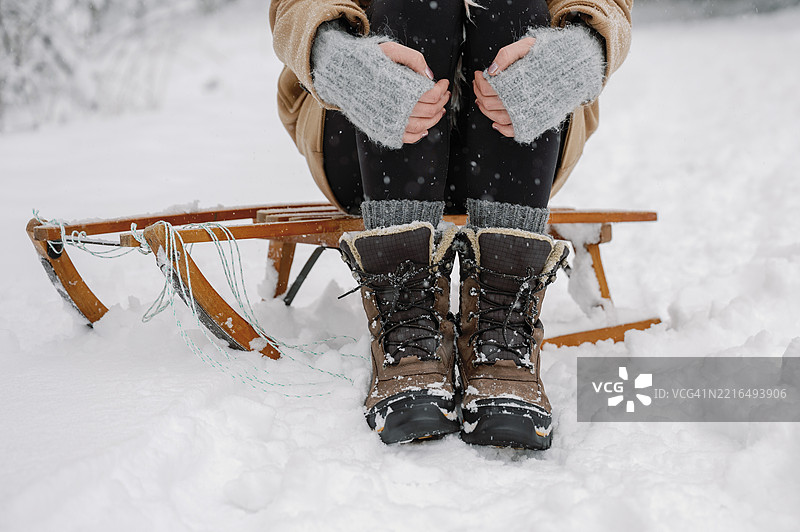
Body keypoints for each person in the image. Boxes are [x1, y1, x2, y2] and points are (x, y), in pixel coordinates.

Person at [269, 0, 632, 449]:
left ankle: (503, 324)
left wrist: (580, 49)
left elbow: (610, 6)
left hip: (522, 140)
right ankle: (406, 320)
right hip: (366, 137)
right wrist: (335, 56)